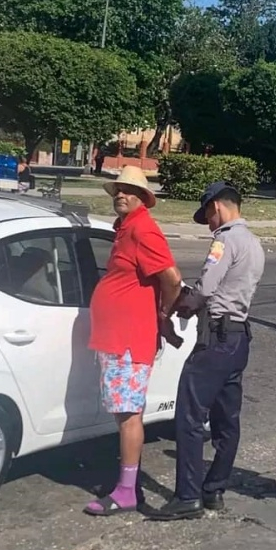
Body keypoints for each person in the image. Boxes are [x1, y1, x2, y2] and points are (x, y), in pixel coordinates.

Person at [146, 182, 266, 520]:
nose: (209, 224)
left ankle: (187, 496)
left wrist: (175, 308)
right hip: (239, 337)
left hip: (214, 340)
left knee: (188, 416)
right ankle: (213, 490)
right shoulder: (254, 243)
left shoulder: (225, 239)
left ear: (216, 207)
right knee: (227, 422)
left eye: (208, 217)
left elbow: (205, 288)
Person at [84, 166, 183, 516]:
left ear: (143, 197)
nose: (121, 195)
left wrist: (163, 313)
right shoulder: (125, 229)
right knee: (124, 414)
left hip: (129, 340)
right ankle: (129, 482)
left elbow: (172, 279)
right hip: (116, 338)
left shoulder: (143, 230)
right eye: (118, 190)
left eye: (129, 190)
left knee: (129, 416)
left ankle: (126, 491)